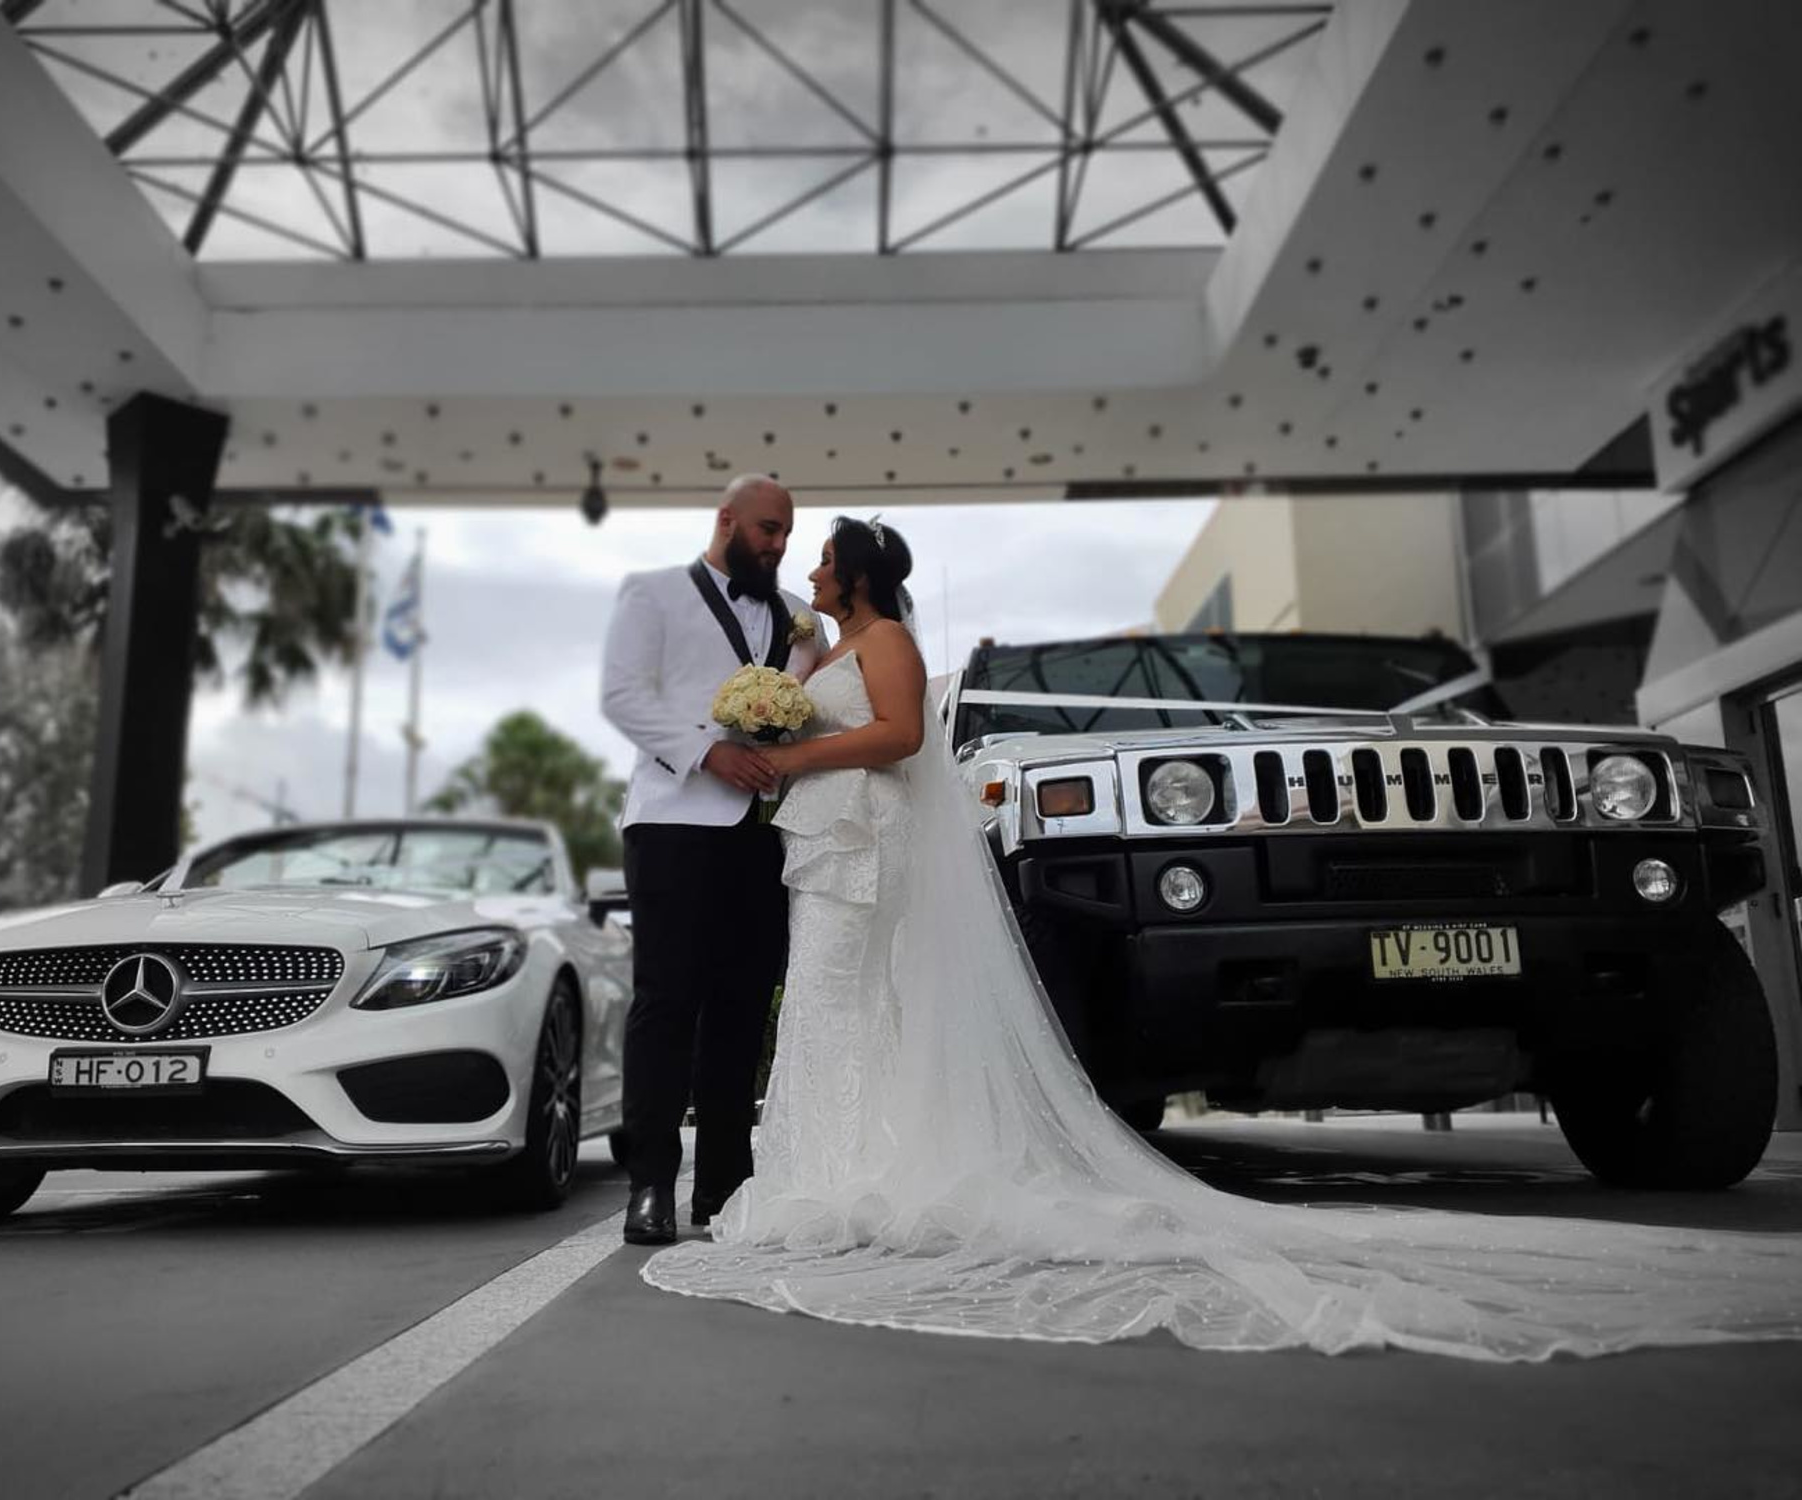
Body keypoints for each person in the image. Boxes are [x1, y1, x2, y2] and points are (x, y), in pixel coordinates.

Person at [641, 515, 1802, 1360]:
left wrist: (789, 743)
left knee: (855, 1008)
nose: (803, 560)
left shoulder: (880, 645)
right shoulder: (829, 644)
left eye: (815, 549)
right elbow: (792, 673)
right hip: (836, 850)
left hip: (862, 838)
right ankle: (833, 1179)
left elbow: (887, 734)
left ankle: (856, 1182)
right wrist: (766, 673)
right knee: (846, 1014)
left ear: (851, 571)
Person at [600, 474, 821, 1245]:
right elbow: (623, 696)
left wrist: (780, 748)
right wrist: (709, 754)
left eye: (786, 534)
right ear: (725, 519)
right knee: (666, 1004)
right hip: (671, 823)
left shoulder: (801, 619)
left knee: (741, 1004)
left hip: (764, 829)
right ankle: (651, 1187)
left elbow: (810, 711)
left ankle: (726, 1189)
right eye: (766, 529)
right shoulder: (652, 593)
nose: (777, 545)